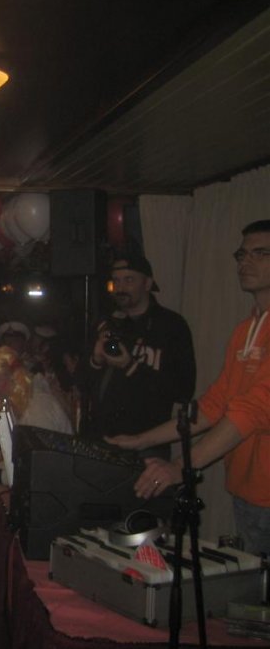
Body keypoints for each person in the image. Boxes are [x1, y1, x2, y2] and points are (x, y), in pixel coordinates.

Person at [109, 220, 270, 557]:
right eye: (242, 254)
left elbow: (254, 410)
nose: (246, 262)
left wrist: (179, 466)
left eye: (260, 253)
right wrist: (141, 440)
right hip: (247, 490)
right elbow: (213, 405)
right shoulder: (246, 329)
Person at [0, 345, 73, 604]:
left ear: (15, 377)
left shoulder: (37, 409)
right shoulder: (16, 402)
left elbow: (39, 472)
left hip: (48, 497)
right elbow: (9, 455)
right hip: (28, 485)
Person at [80, 253, 196, 458]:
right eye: (116, 281)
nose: (121, 288)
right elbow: (81, 383)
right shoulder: (105, 323)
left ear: (147, 283)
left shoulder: (171, 326)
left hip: (147, 445)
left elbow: (183, 390)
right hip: (101, 439)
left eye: (129, 280)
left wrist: (130, 367)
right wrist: (96, 360)